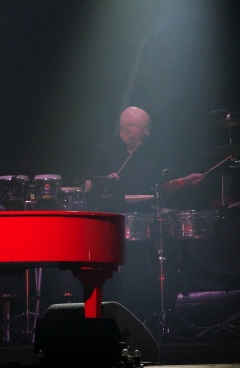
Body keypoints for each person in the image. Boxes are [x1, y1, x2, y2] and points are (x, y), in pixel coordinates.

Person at [85, 106, 205, 323]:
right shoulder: (102, 150)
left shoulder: (146, 158)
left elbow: (159, 188)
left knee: (149, 275)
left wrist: (183, 182)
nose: (148, 134)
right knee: (114, 285)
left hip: (139, 230)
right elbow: (86, 186)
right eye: (145, 129)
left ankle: (146, 322)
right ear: (128, 128)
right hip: (108, 230)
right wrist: (103, 180)